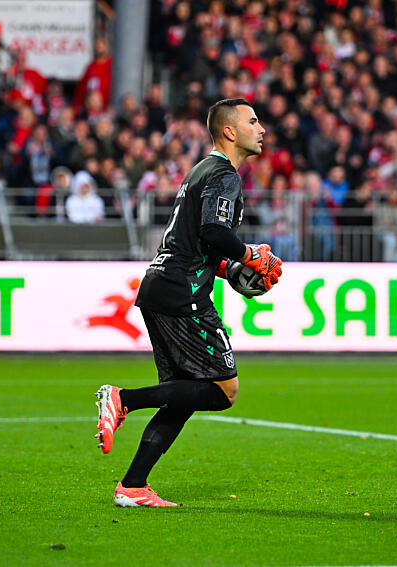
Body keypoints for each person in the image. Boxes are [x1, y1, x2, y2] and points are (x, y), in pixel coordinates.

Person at [94, 99, 282, 507]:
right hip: (183, 294)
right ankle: (124, 399)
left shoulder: (200, 171)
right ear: (229, 131)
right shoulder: (223, 174)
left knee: (183, 393)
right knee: (221, 390)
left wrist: (226, 269)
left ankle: (133, 486)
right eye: (252, 121)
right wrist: (250, 256)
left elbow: (192, 239)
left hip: (161, 283)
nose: (262, 128)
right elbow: (214, 230)